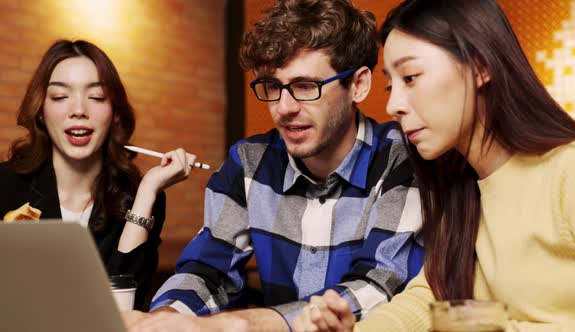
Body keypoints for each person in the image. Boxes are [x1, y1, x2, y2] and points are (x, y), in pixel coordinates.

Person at [291, 0, 575, 331]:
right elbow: (428, 297)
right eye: (392, 85)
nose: (393, 105)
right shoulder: (461, 192)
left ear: (480, 67)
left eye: (411, 77)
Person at [125, 0, 423, 331]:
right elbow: (207, 269)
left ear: (358, 85)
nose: (283, 108)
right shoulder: (249, 163)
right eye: (272, 86)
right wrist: (168, 317)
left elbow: (378, 286)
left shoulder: (403, 159)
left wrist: (245, 324)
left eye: (305, 86)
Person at [0, 40, 197, 310]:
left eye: (96, 97)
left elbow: (125, 309)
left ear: (114, 112)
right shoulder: (5, 185)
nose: (79, 110)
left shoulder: (140, 198)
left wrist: (148, 191)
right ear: (42, 111)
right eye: (60, 97)